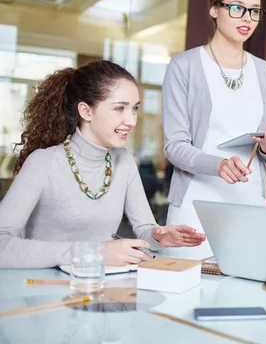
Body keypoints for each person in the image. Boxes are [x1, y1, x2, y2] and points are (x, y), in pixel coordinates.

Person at [0, 61, 206, 269]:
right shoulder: (43, 163)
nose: (132, 120)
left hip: (100, 288)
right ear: (86, 111)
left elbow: (144, 228)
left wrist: (159, 236)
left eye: (134, 109)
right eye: (119, 108)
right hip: (44, 289)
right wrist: (94, 253)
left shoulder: (124, 161)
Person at [162, 0, 266, 259]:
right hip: (195, 204)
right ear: (214, 9)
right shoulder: (184, 66)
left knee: (246, 295)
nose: (247, 17)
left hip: (250, 204)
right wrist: (219, 165)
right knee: (186, 297)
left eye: (255, 11)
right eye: (237, 7)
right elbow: (174, 146)